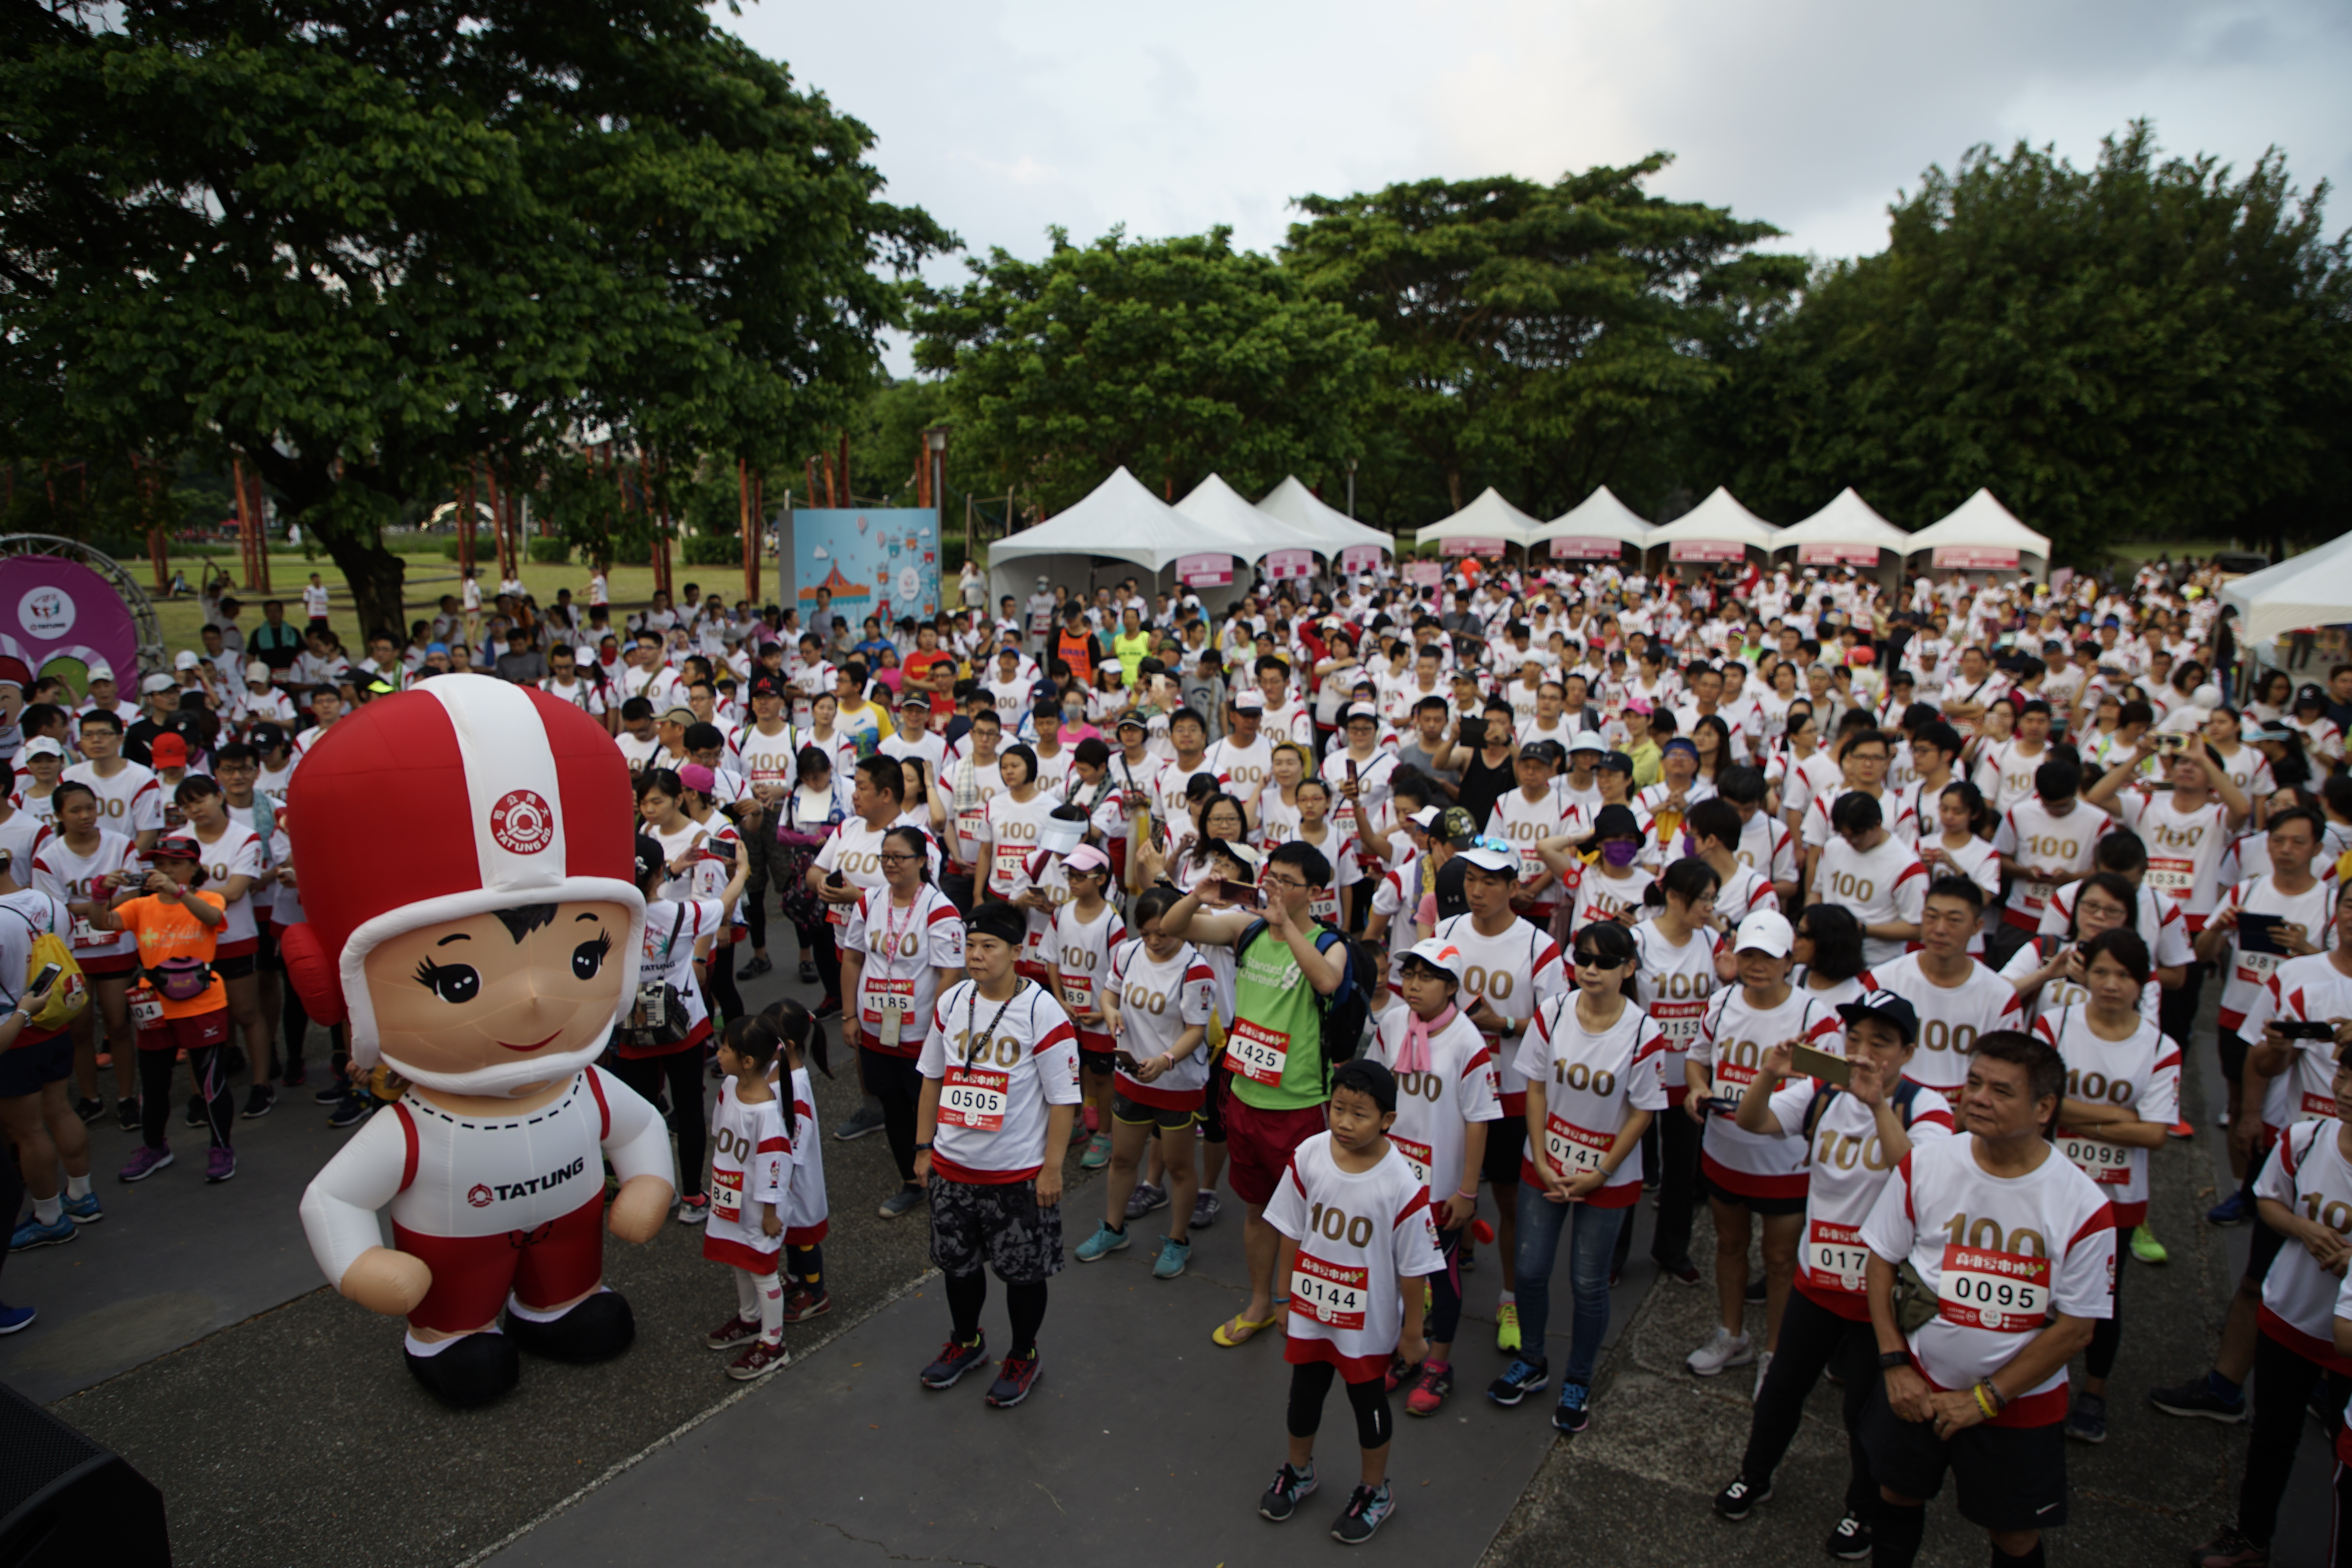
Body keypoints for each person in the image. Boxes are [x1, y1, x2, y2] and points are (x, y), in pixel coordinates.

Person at [1711, 989, 1953, 1561]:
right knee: (1781, 1392)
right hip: (1817, 1281)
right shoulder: (1823, 1091)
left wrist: (1877, 1106)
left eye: (1881, 1043)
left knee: (1865, 1414)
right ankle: (1756, 1474)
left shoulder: (1928, 1108)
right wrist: (1770, 1074)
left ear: (1908, 1052)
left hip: (1882, 1298)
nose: (1864, 1052)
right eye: (1854, 1040)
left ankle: (1862, 1509)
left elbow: (1922, 1180)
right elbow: (1754, 1122)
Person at [1858, 1031, 2115, 1568]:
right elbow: (1881, 1259)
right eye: (1973, 1083)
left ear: (2044, 1108)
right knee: (1895, 1497)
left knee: (2015, 1538)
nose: (1977, 1098)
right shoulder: (1925, 1164)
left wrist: (1987, 1398)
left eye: (2001, 1091)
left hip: (2018, 1409)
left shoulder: (2084, 1205)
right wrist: (1893, 1363)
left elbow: (2077, 1329)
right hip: (1917, 1387)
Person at [1163, 839, 1358, 1348]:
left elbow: (1326, 983)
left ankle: (1296, 1301)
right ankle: (1259, 1303)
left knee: (1306, 1216)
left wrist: (1285, 924)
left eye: (1287, 882)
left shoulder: (1326, 942)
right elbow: (1174, 927)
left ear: (1315, 892)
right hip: (1245, 1096)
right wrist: (1199, 893)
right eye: (1270, 876)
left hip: (1299, 1106)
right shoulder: (1243, 929)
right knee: (1256, 1209)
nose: (1273, 887)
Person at [1489, 917, 1666, 1433]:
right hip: (1544, 1165)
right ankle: (1535, 1360)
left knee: (1588, 1284)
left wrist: (1600, 1173)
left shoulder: (1643, 1033)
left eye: (1604, 962)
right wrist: (1542, 1158)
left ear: (1628, 969)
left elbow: (1642, 1113)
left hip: (1606, 1179)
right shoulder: (1554, 1012)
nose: (1590, 970)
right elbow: (1538, 1088)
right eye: (1583, 959)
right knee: (1529, 1269)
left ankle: (1579, 1379)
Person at [1256, 1058, 1443, 1544]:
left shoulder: (1402, 1183)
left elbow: (1415, 1266)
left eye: (1359, 1113)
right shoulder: (1309, 1155)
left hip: (1367, 1320)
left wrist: (1413, 1333)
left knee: (1369, 1404)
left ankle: (1375, 1491)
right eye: (1338, 1108)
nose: (1344, 1121)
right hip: (1312, 1310)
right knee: (1304, 1395)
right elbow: (1291, 1231)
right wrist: (1283, 1296)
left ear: (1387, 1120)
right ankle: (1299, 1471)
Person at [911, 899, 1081, 1409]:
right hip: (952, 1169)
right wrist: (924, 1148)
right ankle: (967, 1342)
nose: (976, 956)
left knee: (1023, 1273)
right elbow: (932, 1080)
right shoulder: (953, 1002)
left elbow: (1063, 1099)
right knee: (958, 1267)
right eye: (969, 946)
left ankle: (1023, 1353)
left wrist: (1052, 1169)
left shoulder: (1043, 1012)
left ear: (1017, 951)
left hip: (1017, 1175)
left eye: (989, 947)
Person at [2189, 1041, 2352, 1568]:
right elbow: (2268, 1200)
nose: (2345, 1092)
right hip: (2291, 1317)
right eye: (2343, 1077)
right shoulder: (2306, 1139)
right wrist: (2305, 1228)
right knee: (2272, 1438)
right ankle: (2252, 1537)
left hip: (2346, 1339)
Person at [1684, 910, 1844, 1390]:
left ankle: (1776, 1352)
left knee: (1779, 1259)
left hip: (1784, 1160)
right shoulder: (1722, 1002)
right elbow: (1698, 1059)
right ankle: (1732, 1335)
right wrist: (1696, 1091)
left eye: (1768, 957)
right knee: (1729, 1244)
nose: (1756, 966)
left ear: (1789, 960)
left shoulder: (1815, 1017)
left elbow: (1832, 1087)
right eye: (1748, 954)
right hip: (1725, 1149)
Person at [1433, 838, 1568, 1349]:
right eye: (1470, 879)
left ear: (1515, 887)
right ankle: (1433, 1281)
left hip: (1511, 1094)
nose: (1478, 891)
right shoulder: (1445, 932)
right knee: (1442, 1189)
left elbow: (1558, 1027)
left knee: (1511, 1201)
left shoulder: (1539, 946)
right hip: (1450, 1089)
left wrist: (1503, 1023)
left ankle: (1510, 1297)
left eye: (1491, 882)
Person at [1360, 936, 1500, 1417]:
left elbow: (1478, 1120)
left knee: (1439, 1276)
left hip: (1440, 1186)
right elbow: (1376, 1090)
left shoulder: (1467, 1041)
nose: (1413, 985)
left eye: (1426, 977)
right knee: (1398, 1270)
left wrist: (1466, 1191)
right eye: (1410, 975)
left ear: (1451, 986)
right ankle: (1406, 1347)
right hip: (1393, 1176)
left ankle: (1438, 1364)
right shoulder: (1394, 1021)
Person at [1075, 886, 1217, 1277]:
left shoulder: (1196, 970)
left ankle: (1177, 1240)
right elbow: (1109, 994)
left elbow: (1196, 1030)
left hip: (1177, 1085)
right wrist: (1110, 1012)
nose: (1154, 941)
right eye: (1148, 932)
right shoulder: (1128, 952)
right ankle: (1113, 1228)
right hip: (1131, 1076)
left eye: (1164, 933)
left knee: (1178, 1165)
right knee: (1122, 1158)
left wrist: (1167, 1060)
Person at [619, 829, 748, 1224]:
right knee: (690, 1108)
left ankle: (649, 1191)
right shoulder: (682, 914)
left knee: (640, 1114)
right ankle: (694, 1195)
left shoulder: (609, 917)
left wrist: (668, 871)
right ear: (659, 873)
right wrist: (741, 870)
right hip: (683, 1024)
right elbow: (723, 905)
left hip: (630, 1027)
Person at [841, 823, 967, 1219]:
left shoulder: (939, 908)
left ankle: (949, 1180)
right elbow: (853, 958)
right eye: (886, 857)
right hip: (877, 1030)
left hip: (920, 1033)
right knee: (893, 1108)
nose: (891, 865)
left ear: (923, 861)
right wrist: (849, 1014)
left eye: (900, 857)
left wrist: (937, 1031)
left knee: (933, 1108)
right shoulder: (869, 902)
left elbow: (950, 974)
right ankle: (911, 1183)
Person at [95, 835, 235, 1183]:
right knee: (155, 1084)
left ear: (194, 868)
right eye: (160, 864)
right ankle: (155, 1148)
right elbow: (102, 924)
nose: (165, 870)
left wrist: (178, 891)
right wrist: (100, 894)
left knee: (210, 1083)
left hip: (203, 1002)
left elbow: (214, 916)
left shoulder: (206, 897)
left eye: (175, 863)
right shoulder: (141, 906)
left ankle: (221, 1148)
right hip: (153, 1004)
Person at [0, 846, 93, 1250]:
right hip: (54, 1021)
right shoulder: (49, 902)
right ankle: (82, 1195)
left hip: (14, 1030)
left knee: (27, 1131)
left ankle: (50, 1216)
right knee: (59, 1109)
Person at [35, 781, 141, 1127]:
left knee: (118, 1023)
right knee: (79, 1030)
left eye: (90, 809)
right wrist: (100, 901)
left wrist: (86, 905)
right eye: (75, 811)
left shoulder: (121, 845)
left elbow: (132, 893)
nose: (85, 817)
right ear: (59, 815)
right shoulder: (48, 858)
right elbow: (53, 908)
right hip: (73, 954)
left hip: (116, 947)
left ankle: (127, 1097)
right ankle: (90, 1097)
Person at [1869, 877, 2024, 1106]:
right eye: (1932, 918)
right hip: (1887, 1107)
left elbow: (2006, 1074)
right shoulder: (1883, 981)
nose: (1940, 930)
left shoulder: (2000, 997)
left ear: (1977, 927)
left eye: (1954, 921)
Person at [700, 1016, 793, 1381]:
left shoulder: (767, 1114)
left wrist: (771, 1213)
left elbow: (775, 1167)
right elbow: (721, 1133)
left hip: (756, 1207)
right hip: (730, 1197)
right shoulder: (728, 1088)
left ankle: (774, 1344)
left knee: (763, 1270)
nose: (719, 1054)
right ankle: (749, 1318)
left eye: (725, 1049)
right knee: (739, 1261)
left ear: (749, 1061)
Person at [1047, 845, 1125, 1171]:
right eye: (1071, 876)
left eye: (1081, 876)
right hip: (1069, 1013)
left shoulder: (1112, 922)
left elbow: (1120, 975)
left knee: (1102, 1075)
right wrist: (1060, 999)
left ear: (1102, 879)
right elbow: (1052, 959)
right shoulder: (1061, 913)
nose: (1074, 882)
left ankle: (1105, 1133)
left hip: (1097, 1017)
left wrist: (1105, 1011)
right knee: (1071, 1068)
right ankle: (1077, 1121)